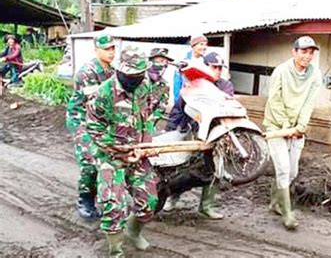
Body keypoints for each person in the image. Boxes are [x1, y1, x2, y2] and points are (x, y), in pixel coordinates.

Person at [86, 46, 166, 257]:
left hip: (138, 153)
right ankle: (115, 251)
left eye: (140, 75)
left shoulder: (144, 86)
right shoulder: (103, 93)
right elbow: (94, 129)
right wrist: (120, 151)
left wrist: (145, 146)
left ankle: (133, 231)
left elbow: (147, 116)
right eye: (132, 75)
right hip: (111, 156)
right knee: (113, 205)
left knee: (150, 201)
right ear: (120, 71)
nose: (137, 79)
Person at [163, 52, 234, 219]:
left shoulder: (225, 86)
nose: (217, 71)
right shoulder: (193, 85)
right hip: (193, 132)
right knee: (183, 169)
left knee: (215, 168)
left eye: (219, 68)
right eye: (213, 67)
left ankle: (206, 206)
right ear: (204, 67)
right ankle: (173, 196)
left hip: (216, 133)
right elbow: (179, 109)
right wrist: (171, 129)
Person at [263, 36, 322, 230]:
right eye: (303, 51)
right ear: (294, 52)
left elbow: (309, 102)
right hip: (276, 126)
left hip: (297, 129)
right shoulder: (281, 71)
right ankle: (287, 214)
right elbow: (274, 99)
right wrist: (285, 126)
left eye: (311, 52)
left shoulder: (315, 74)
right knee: (283, 169)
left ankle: (274, 202)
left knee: (292, 171)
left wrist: (300, 126)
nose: (307, 56)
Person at [66, 34, 115, 220]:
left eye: (112, 48)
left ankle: (108, 196)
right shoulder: (87, 72)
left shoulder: (112, 71)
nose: (111, 52)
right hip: (81, 119)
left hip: (100, 120)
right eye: (106, 49)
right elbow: (96, 100)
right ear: (97, 50)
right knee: (89, 160)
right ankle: (85, 200)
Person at [172, 34, 208, 104]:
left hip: (199, 98)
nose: (204, 47)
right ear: (193, 46)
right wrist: (177, 101)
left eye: (206, 45)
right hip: (185, 97)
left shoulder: (205, 62)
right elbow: (177, 82)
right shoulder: (184, 61)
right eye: (201, 44)